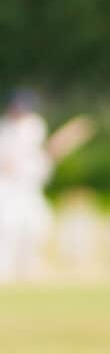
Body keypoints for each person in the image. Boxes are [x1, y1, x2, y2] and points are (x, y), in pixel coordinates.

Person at [0, 89, 95, 284]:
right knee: (7, 231)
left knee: (35, 229)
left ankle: (25, 276)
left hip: (29, 190)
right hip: (7, 189)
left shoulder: (33, 126)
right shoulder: (6, 129)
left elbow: (47, 152)